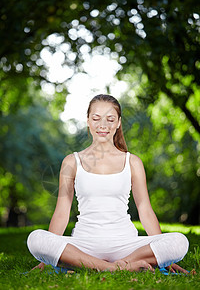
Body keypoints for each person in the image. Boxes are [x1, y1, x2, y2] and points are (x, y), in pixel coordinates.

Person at [27, 94, 189, 273]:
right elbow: (61, 213)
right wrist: (46, 257)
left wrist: (163, 253)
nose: (103, 125)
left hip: (126, 244)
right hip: (84, 245)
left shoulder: (132, 162)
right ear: (88, 120)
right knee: (36, 239)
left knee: (180, 242)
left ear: (119, 122)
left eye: (110, 119)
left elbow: (145, 210)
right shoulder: (71, 162)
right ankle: (116, 268)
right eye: (96, 118)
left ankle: (107, 265)